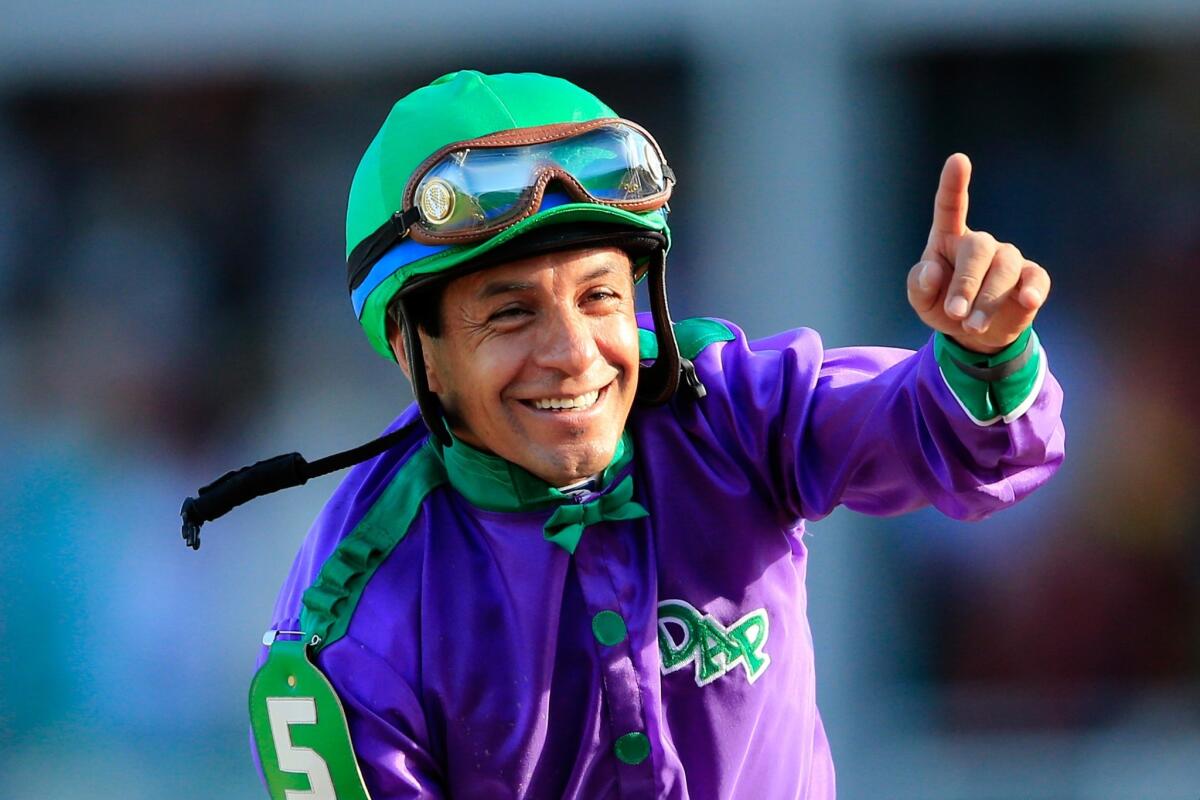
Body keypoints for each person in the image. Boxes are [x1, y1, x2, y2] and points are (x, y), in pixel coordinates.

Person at [197, 69, 1063, 798]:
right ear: (410, 347)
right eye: (510, 314)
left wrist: (984, 352)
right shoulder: (354, 626)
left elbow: (958, 442)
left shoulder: (729, 408)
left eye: (600, 296)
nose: (574, 356)